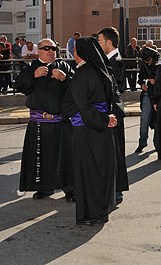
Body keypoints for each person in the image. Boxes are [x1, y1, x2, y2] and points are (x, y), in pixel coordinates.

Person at [62, 37, 117, 225]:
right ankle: (102, 210)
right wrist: (106, 119)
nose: (74, 53)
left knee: (88, 173)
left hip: (88, 130)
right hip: (103, 129)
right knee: (102, 170)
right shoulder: (104, 71)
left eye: (76, 50)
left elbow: (82, 107)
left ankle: (92, 214)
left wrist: (101, 119)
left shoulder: (82, 74)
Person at [14, 38, 74, 200]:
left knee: (65, 157)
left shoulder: (63, 66)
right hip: (40, 122)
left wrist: (65, 78)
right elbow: (19, 86)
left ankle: (69, 189)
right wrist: (33, 76)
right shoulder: (30, 68)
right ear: (38, 51)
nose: (51, 51)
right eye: (46, 48)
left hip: (61, 121)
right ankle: (45, 188)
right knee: (42, 157)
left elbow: (77, 87)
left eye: (54, 48)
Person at [97, 27, 130, 204]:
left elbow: (113, 89)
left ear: (108, 42)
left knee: (116, 151)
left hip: (113, 113)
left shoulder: (114, 61)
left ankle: (117, 188)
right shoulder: (110, 60)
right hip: (111, 111)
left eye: (100, 41)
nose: (98, 45)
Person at [136, 46, 159, 153]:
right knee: (144, 119)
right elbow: (140, 79)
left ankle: (157, 142)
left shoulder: (160, 65)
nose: (147, 62)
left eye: (148, 60)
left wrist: (155, 81)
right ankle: (142, 142)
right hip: (147, 94)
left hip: (158, 95)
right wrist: (142, 84)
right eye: (145, 60)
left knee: (158, 120)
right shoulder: (144, 65)